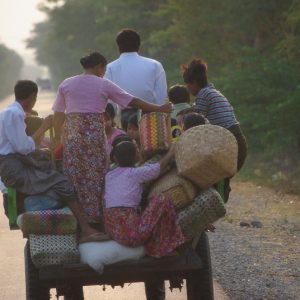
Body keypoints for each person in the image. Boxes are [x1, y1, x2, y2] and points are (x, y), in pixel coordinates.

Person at [53, 52, 172, 224]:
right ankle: (98, 219)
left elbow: (57, 115)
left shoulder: (67, 83)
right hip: (94, 138)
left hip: (73, 139)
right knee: (98, 177)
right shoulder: (103, 84)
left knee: (75, 176)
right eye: (103, 69)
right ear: (99, 66)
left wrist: (58, 138)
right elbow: (133, 101)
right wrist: (159, 109)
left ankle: (79, 221)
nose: (103, 72)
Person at [0, 80, 103, 242]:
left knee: (54, 178)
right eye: (35, 99)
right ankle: (86, 228)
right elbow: (23, 147)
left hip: (15, 165)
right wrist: (44, 127)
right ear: (32, 97)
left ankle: (81, 227)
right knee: (63, 184)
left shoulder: (10, 112)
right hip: (14, 169)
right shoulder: (14, 114)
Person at [104, 141, 184, 257]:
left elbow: (132, 170)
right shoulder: (136, 173)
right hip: (133, 237)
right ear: (136, 155)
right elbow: (159, 167)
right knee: (162, 199)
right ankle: (163, 246)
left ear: (115, 159)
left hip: (115, 234)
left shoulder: (109, 176)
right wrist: (171, 152)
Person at [183, 58, 247, 201]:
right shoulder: (211, 92)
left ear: (194, 83)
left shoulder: (204, 95)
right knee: (216, 177)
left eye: (188, 84)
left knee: (213, 176)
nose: (188, 88)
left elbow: (196, 122)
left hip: (231, 143)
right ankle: (215, 209)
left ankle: (214, 208)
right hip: (235, 141)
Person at [104, 29, 168, 129]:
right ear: (139, 47)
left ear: (119, 48)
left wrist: (112, 120)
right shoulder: (155, 65)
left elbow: (109, 101)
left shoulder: (110, 68)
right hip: (150, 117)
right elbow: (161, 96)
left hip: (125, 117)